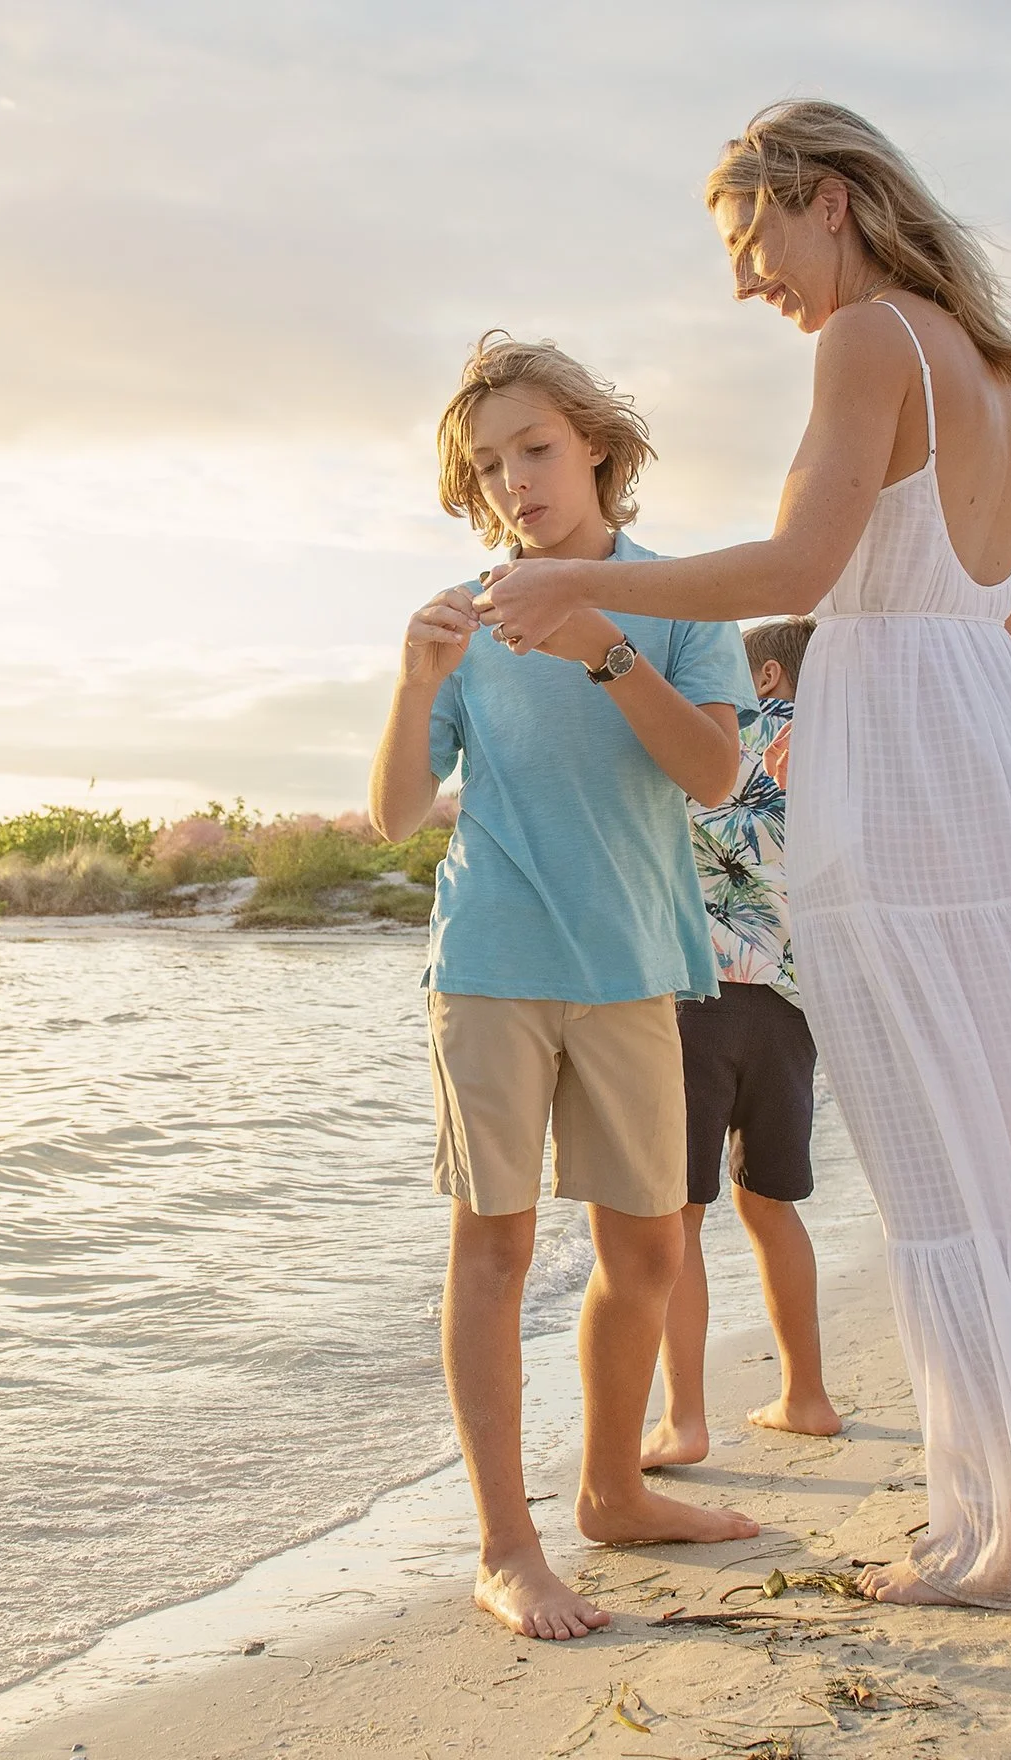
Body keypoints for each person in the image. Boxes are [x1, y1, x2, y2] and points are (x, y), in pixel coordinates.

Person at [475, 101, 1011, 1625]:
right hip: (992, 747)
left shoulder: (871, 344)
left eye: (750, 237)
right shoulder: (992, 368)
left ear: (829, 202)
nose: (745, 282)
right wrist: (922, 635)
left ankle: (1003, 1524)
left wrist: (579, 579)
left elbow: (796, 574)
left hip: (906, 771)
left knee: (939, 1152)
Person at [367, 333, 760, 1644]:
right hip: (490, 962)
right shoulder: (466, 620)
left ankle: (611, 1493)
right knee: (496, 1243)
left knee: (647, 1244)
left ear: (595, 443)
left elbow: (715, 777)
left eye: (533, 449)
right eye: (487, 466)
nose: (513, 482)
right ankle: (505, 1546)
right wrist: (415, 681)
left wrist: (602, 646)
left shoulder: (684, 597)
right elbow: (393, 813)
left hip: (636, 961)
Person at [643, 615, 842, 1472]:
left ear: (763, 676)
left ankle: (684, 1420)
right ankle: (807, 1395)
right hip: (793, 1016)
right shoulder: (846, 760)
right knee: (770, 1205)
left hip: (697, 1000)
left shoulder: (723, 740)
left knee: (675, 1220)